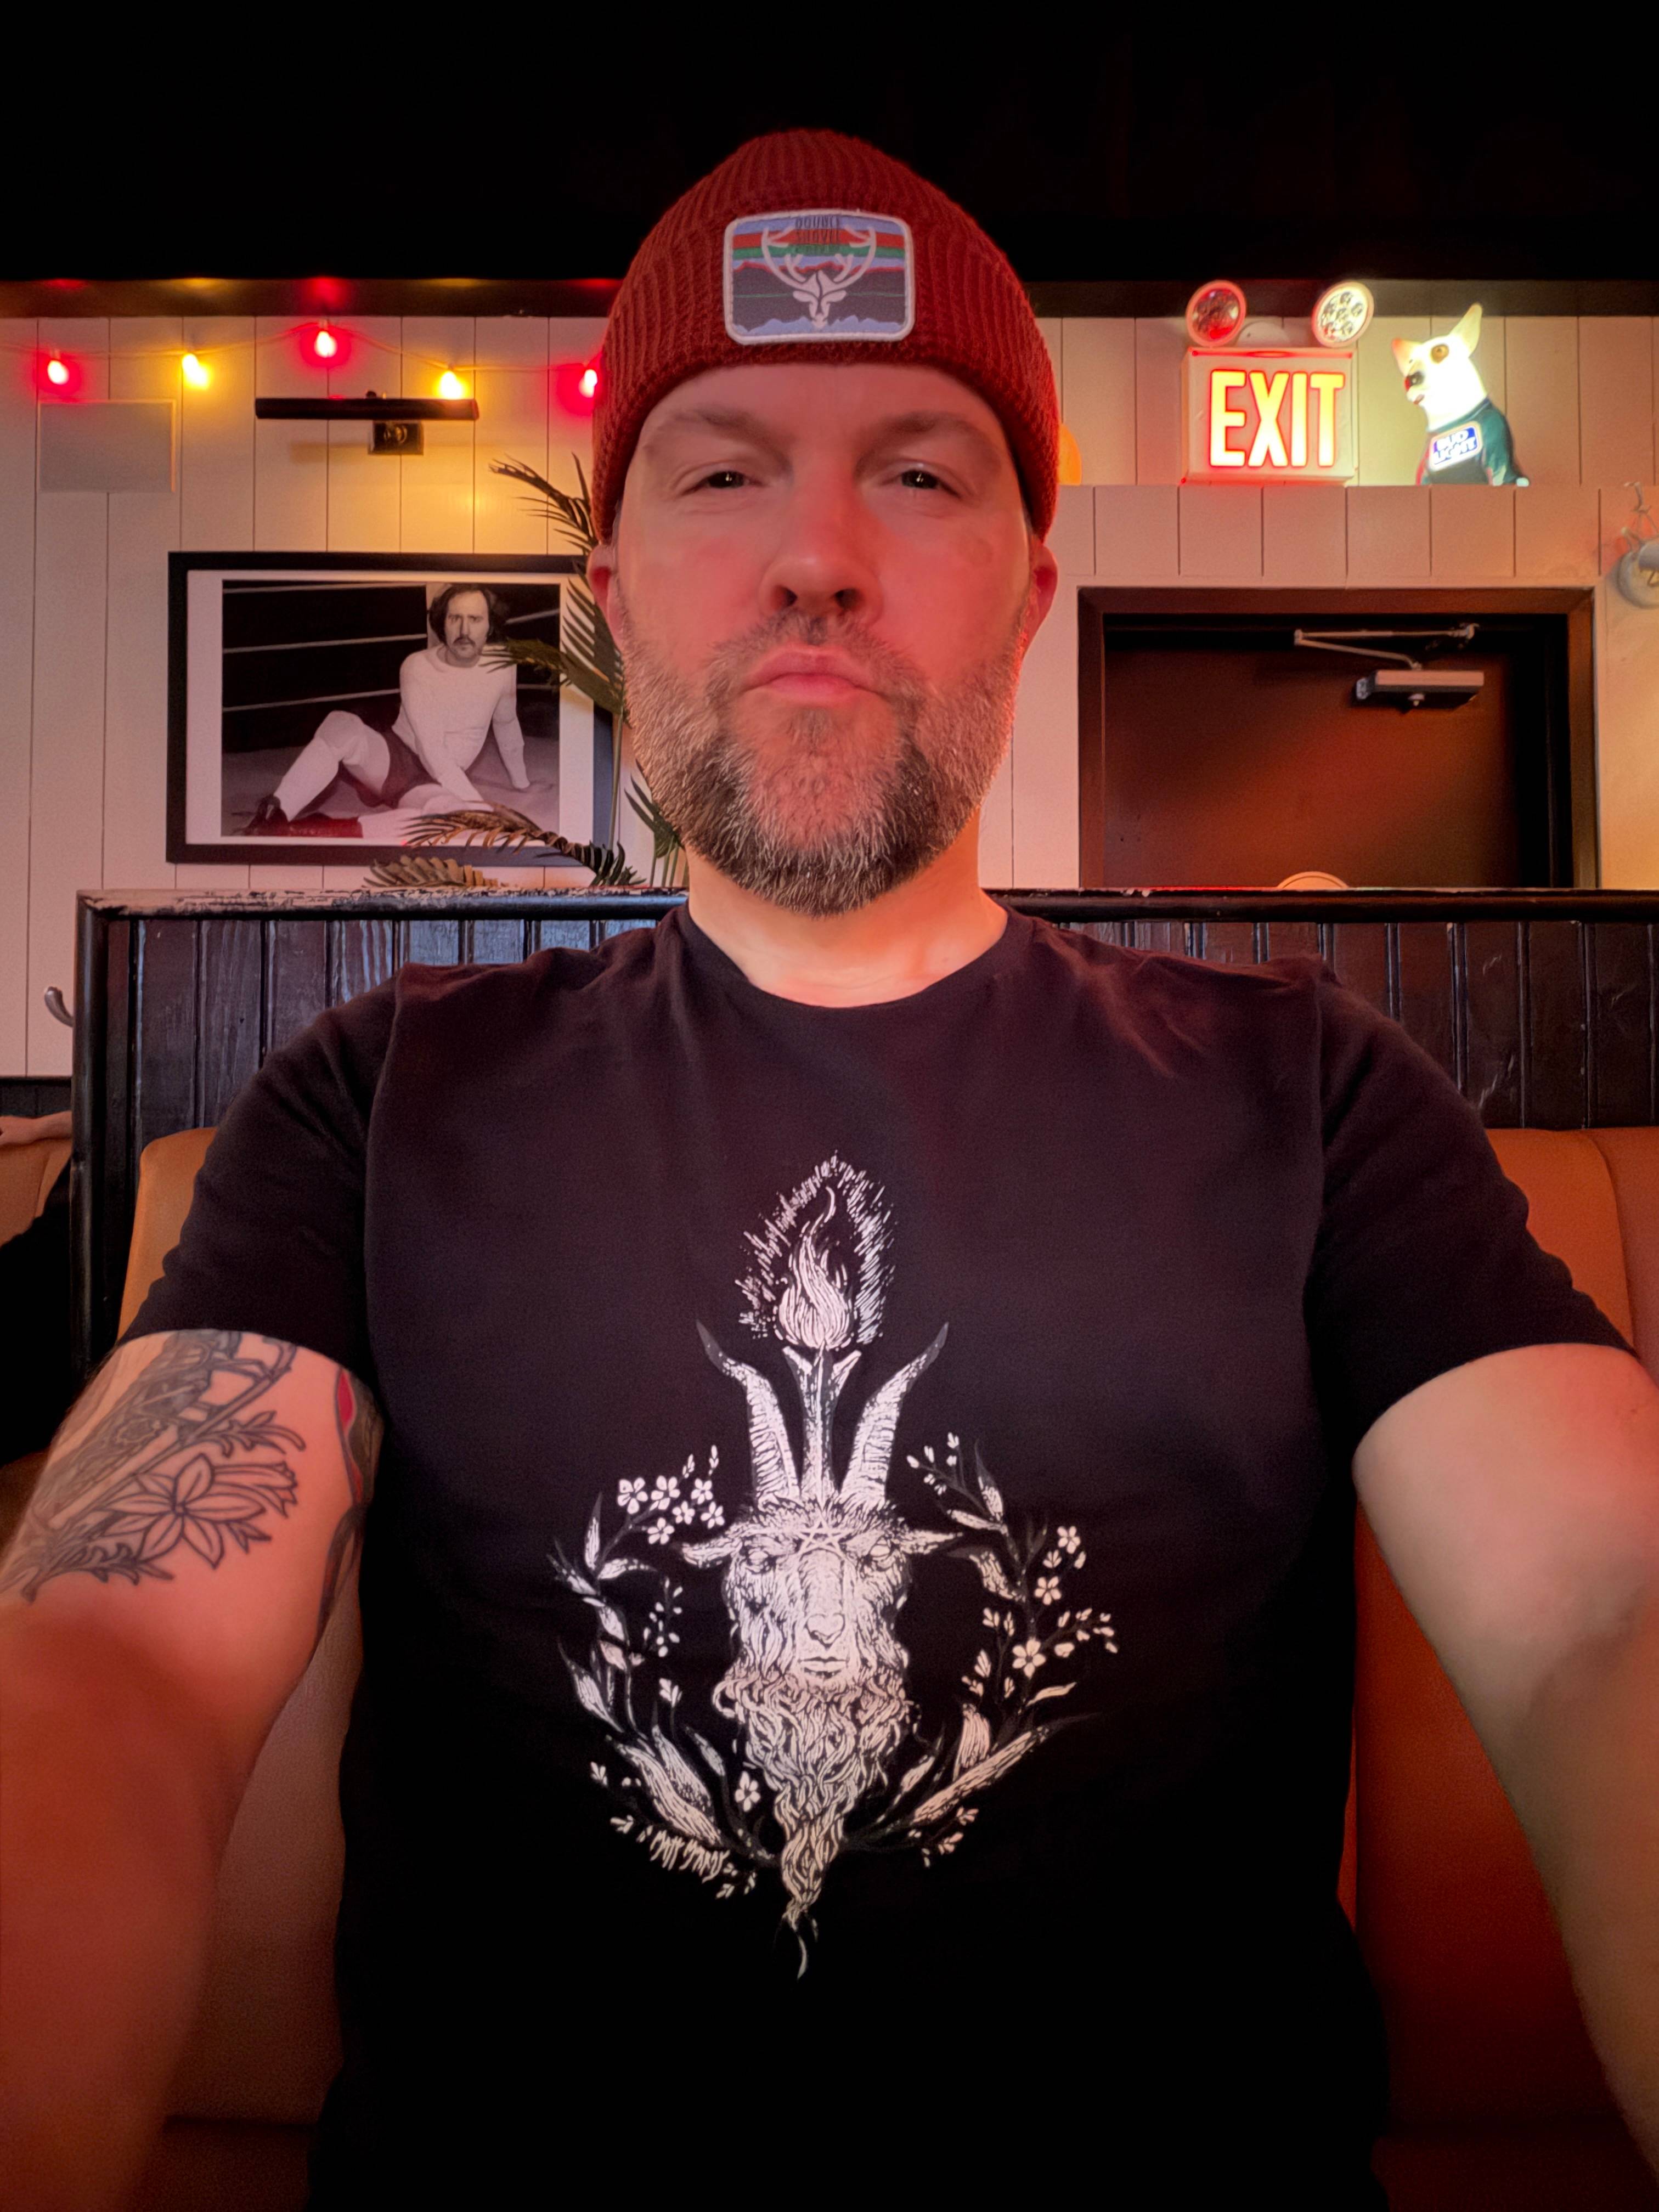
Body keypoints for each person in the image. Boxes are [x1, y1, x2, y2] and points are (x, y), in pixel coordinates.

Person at [4, 130, 1659, 2211]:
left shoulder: (1312, 1097)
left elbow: (1605, 1611)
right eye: (721, 472)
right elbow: (118, 1659)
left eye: (918, 471)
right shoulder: (374, 1099)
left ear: (1027, 597)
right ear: (611, 595)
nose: (816, 556)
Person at [242, 582, 531, 834]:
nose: (464, 630)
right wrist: (479, 806)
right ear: (443, 623)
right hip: (393, 761)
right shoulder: (419, 666)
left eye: (475, 619)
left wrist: (521, 783)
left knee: (446, 816)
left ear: (490, 626)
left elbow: (506, 723)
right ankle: (274, 815)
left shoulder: (503, 666)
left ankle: (328, 829)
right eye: (455, 618)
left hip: (433, 785)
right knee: (340, 724)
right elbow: (431, 749)